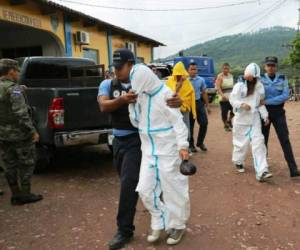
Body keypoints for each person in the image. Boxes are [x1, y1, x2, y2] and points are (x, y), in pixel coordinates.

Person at [97, 48, 183, 250]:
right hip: (118, 141)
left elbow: (167, 95)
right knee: (140, 184)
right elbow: (103, 106)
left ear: (130, 65)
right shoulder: (108, 83)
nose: (116, 71)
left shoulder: (146, 81)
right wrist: (122, 100)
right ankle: (161, 216)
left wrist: (178, 101)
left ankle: (124, 230)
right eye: (114, 67)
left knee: (129, 185)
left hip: (139, 142)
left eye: (120, 67)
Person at [128, 63, 190, 246]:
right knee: (145, 190)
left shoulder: (166, 95)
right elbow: (136, 122)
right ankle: (159, 220)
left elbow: (179, 123)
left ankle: (178, 225)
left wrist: (183, 146)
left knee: (174, 190)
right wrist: (132, 105)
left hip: (169, 150)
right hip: (148, 151)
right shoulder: (142, 96)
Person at [0, 59, 43, 205]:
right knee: (27, 163)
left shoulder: (11, 88)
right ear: (11, 71)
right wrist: (32, 131)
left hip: (3, 135)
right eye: (17, 70)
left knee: (9, 164)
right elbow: (21, 113)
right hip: (19, 134)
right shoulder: (14, 89)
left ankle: (15, 195)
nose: (18, 73)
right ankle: (25, 195)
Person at [229, 63, 273, 181]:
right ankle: (238, 161)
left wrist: (265, 116)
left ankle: (262, 171)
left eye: (255, 77)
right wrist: (241, 104)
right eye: (252, 76)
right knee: (240, 144)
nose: (253, 79)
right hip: (241, 120)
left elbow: (260, 104)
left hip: (254, 119)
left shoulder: (259, 87)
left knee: (259, 143)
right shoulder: (239, 86)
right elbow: (232, 99)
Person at [260, 56, 300, 178]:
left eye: (273, 65)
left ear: (276, 67)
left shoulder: (282, 79)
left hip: (278, 113)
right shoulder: (260, 79)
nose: (271, 67)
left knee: (285, 140)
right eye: (268, 65)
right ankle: (263, 168)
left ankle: (293, 169)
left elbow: (285, 96)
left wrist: (267, 101)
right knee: (263, 141)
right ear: (265, 67)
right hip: (264, 114)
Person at [166, 62, 196, 151]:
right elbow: (171, 95)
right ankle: (175, 150)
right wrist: (180, 84)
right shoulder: (170, 81)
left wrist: (191, 109)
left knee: (186, 130)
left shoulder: (187, 83)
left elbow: (190, 98)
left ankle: (185, 149)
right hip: (172, 110)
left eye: (180, 74)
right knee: (173, 130)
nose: (179, 76)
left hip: (184, 110)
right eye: (177, 74)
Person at [188, 62, 210, 152]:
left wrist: (207, 105)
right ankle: (191, 145)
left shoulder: (201, 80)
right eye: (191, 69)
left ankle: (200, 143)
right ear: (188, 70)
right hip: (188, 104)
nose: (193, 71)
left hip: (198, 103)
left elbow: (204, 93)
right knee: (190, 126)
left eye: (195, 69)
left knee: (204, 123)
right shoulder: (184, 80)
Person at [216, 63, 234, 131]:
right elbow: (218, 88)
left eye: (227, 68)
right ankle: (226, 125)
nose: (226, 70)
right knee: (224, 113)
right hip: (224, 97)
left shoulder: (231, 76)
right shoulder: (220, 76)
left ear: (229, 69)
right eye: (224, 68)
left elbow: (232, 86)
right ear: (222, 69)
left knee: (234, 110)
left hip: (231, 97)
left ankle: (229, 120)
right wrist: (222, 95)